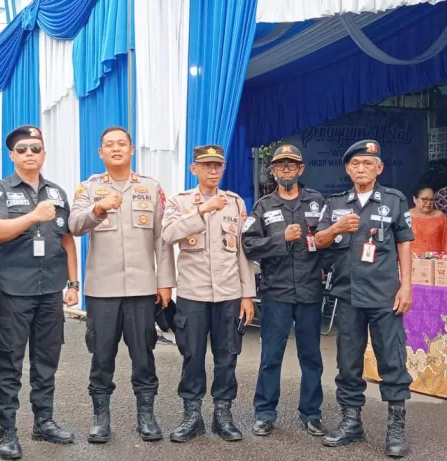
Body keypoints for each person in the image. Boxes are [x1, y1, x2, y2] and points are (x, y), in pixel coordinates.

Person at [68, 126, 176, 444]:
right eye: (109, 145)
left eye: (121, 144)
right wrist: (98, 208)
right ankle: (101, 419)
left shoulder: (150, 188)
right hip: (102, 291)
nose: (116, 149)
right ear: (100, 152)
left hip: (143, 289)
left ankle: (147, 416)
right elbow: (74, 225)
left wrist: (165, 282)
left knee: (144, 355)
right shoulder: (88, 188)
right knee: (102, 357)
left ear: (131, 150)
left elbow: (162, 239)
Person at [0, 125, 79, 460]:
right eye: (22, 149)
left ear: (44, 154)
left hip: (50, 290)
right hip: (16, 291)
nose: (29, 154)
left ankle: (44, 421)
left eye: (35, 149)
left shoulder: (56, 192)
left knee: (46, 361)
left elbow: (67, 239)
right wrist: (33, 216)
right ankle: (8, 431)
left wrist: (73, 284)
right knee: (10, 363)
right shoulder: (0, 191)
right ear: (12, 155)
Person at [314, 140, 414, 458]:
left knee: (392, 359)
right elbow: (318, 240)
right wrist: (336, 228)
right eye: (355, 164)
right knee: (348, 362)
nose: (361, 169)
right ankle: (351, 421)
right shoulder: (335, 203)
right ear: (347, 169)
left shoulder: (394, 200)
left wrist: (406, 286)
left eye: (368, 164)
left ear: (379, 168)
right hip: (348, 295)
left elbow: (405, 244)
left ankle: (395, 429)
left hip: (385, 295)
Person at [161, 144, 256, 443]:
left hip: (229, 293)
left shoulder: (235, 203)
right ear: (194, 169)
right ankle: (192, 415)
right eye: (206, 166)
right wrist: (201, 210)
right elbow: (168, 235)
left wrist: (247, 294)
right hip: (193, 293)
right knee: (192, 356)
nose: (213, 171)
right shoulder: (180, 202)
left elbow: (242, 252)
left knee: (227, 356)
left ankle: (223, 415)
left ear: (223, 168)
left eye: (218, 166)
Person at [241, 144, 326, 437]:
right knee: (271, 356)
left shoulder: (317, 202)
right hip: (276, 292)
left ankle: (312, 413)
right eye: (280, 166)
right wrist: (281, 239)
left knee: (311, 357)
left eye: (291, 165)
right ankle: (264, 412)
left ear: (301, 169)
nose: (286, 170)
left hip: (309, 291)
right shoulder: (263, 206)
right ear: (273, 171)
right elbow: (248, 245)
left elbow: (330, 241)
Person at [409, 184, 447, 255]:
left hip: (436, 259)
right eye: (425, 199)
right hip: (412, 259)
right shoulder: (406, 216)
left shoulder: (440, 216)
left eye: (431, 199)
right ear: (415, 199)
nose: (428, 203)